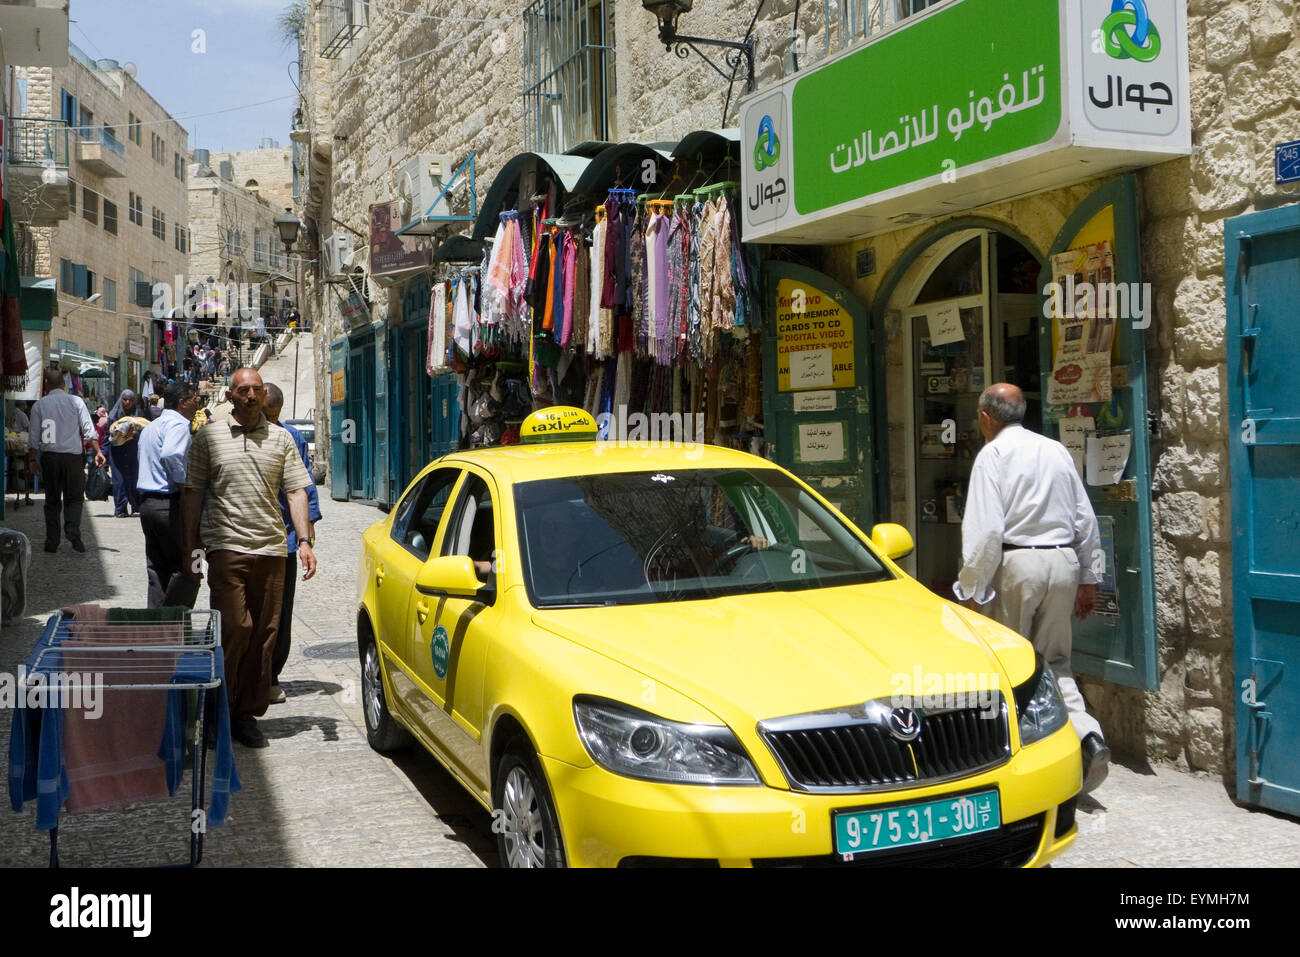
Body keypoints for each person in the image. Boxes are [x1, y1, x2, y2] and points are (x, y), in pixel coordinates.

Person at [953, 383, 1109, 793]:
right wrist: (1089, 578)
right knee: (1056, 662)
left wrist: (971, 589)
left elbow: (985, 531)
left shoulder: (993, 454)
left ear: (986, 418)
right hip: (1062, 562)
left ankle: (1018, 757)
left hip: (1018, 564)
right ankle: (1085, 737)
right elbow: (1085, 519)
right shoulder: (1054, 449)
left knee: (1009, 663)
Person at [181, 368, 316, 748]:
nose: (252, 396)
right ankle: (216, 709)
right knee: (234, 628)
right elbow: (192, 494)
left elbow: (296, 492)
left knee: (264, 635)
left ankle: (244, 716)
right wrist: (189, 546)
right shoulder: (208, 438)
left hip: (272, 550)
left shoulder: (282, 439)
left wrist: (305, 540)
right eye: (244, 390)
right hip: (226, 548)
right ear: (230, 395)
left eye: (257, 390)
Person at [262, 382, 322, 703]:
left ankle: (271, 675)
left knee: (281, 613)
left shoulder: (291, 438)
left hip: (284, 539)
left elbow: (303, 488)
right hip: (250, 541)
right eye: (265, 416)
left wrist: (306, 538)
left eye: (275, 416)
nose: (270, 422)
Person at [136, 380, 203, 608]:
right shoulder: (178, 424)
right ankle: (175, 624)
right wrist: (184, 485)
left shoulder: (152, 426)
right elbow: (171, 454)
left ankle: (156, 627)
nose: (198, 404)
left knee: (157, 568)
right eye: (195, 399)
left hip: (148, 505)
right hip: (170, 504)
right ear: (182, 402)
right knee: (190, 565)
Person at [29, 368, 106, 552]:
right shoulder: (76, 402)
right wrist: (98, 452)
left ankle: (52, 541)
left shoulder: (40, 405)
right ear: (64, 385)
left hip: (50, 458)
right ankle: (72, 528)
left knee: (52, 500)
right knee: (74, 498)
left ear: (46, 385)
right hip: (72, 458)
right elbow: (89, 431)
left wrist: (32, 459)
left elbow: (34, 437)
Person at [103, 389, 144, 518]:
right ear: (120, 400)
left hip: (133, 453)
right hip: (117, 454)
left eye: (130, 400)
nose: (127, 402)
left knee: (134, 480)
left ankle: (136, 506)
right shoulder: (113, 416)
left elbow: (145, 432)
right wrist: (103, 453)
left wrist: (134, 434)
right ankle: (120, 508)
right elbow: (107, 437)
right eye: (125, 399)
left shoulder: (138, 416)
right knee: (119, 481)